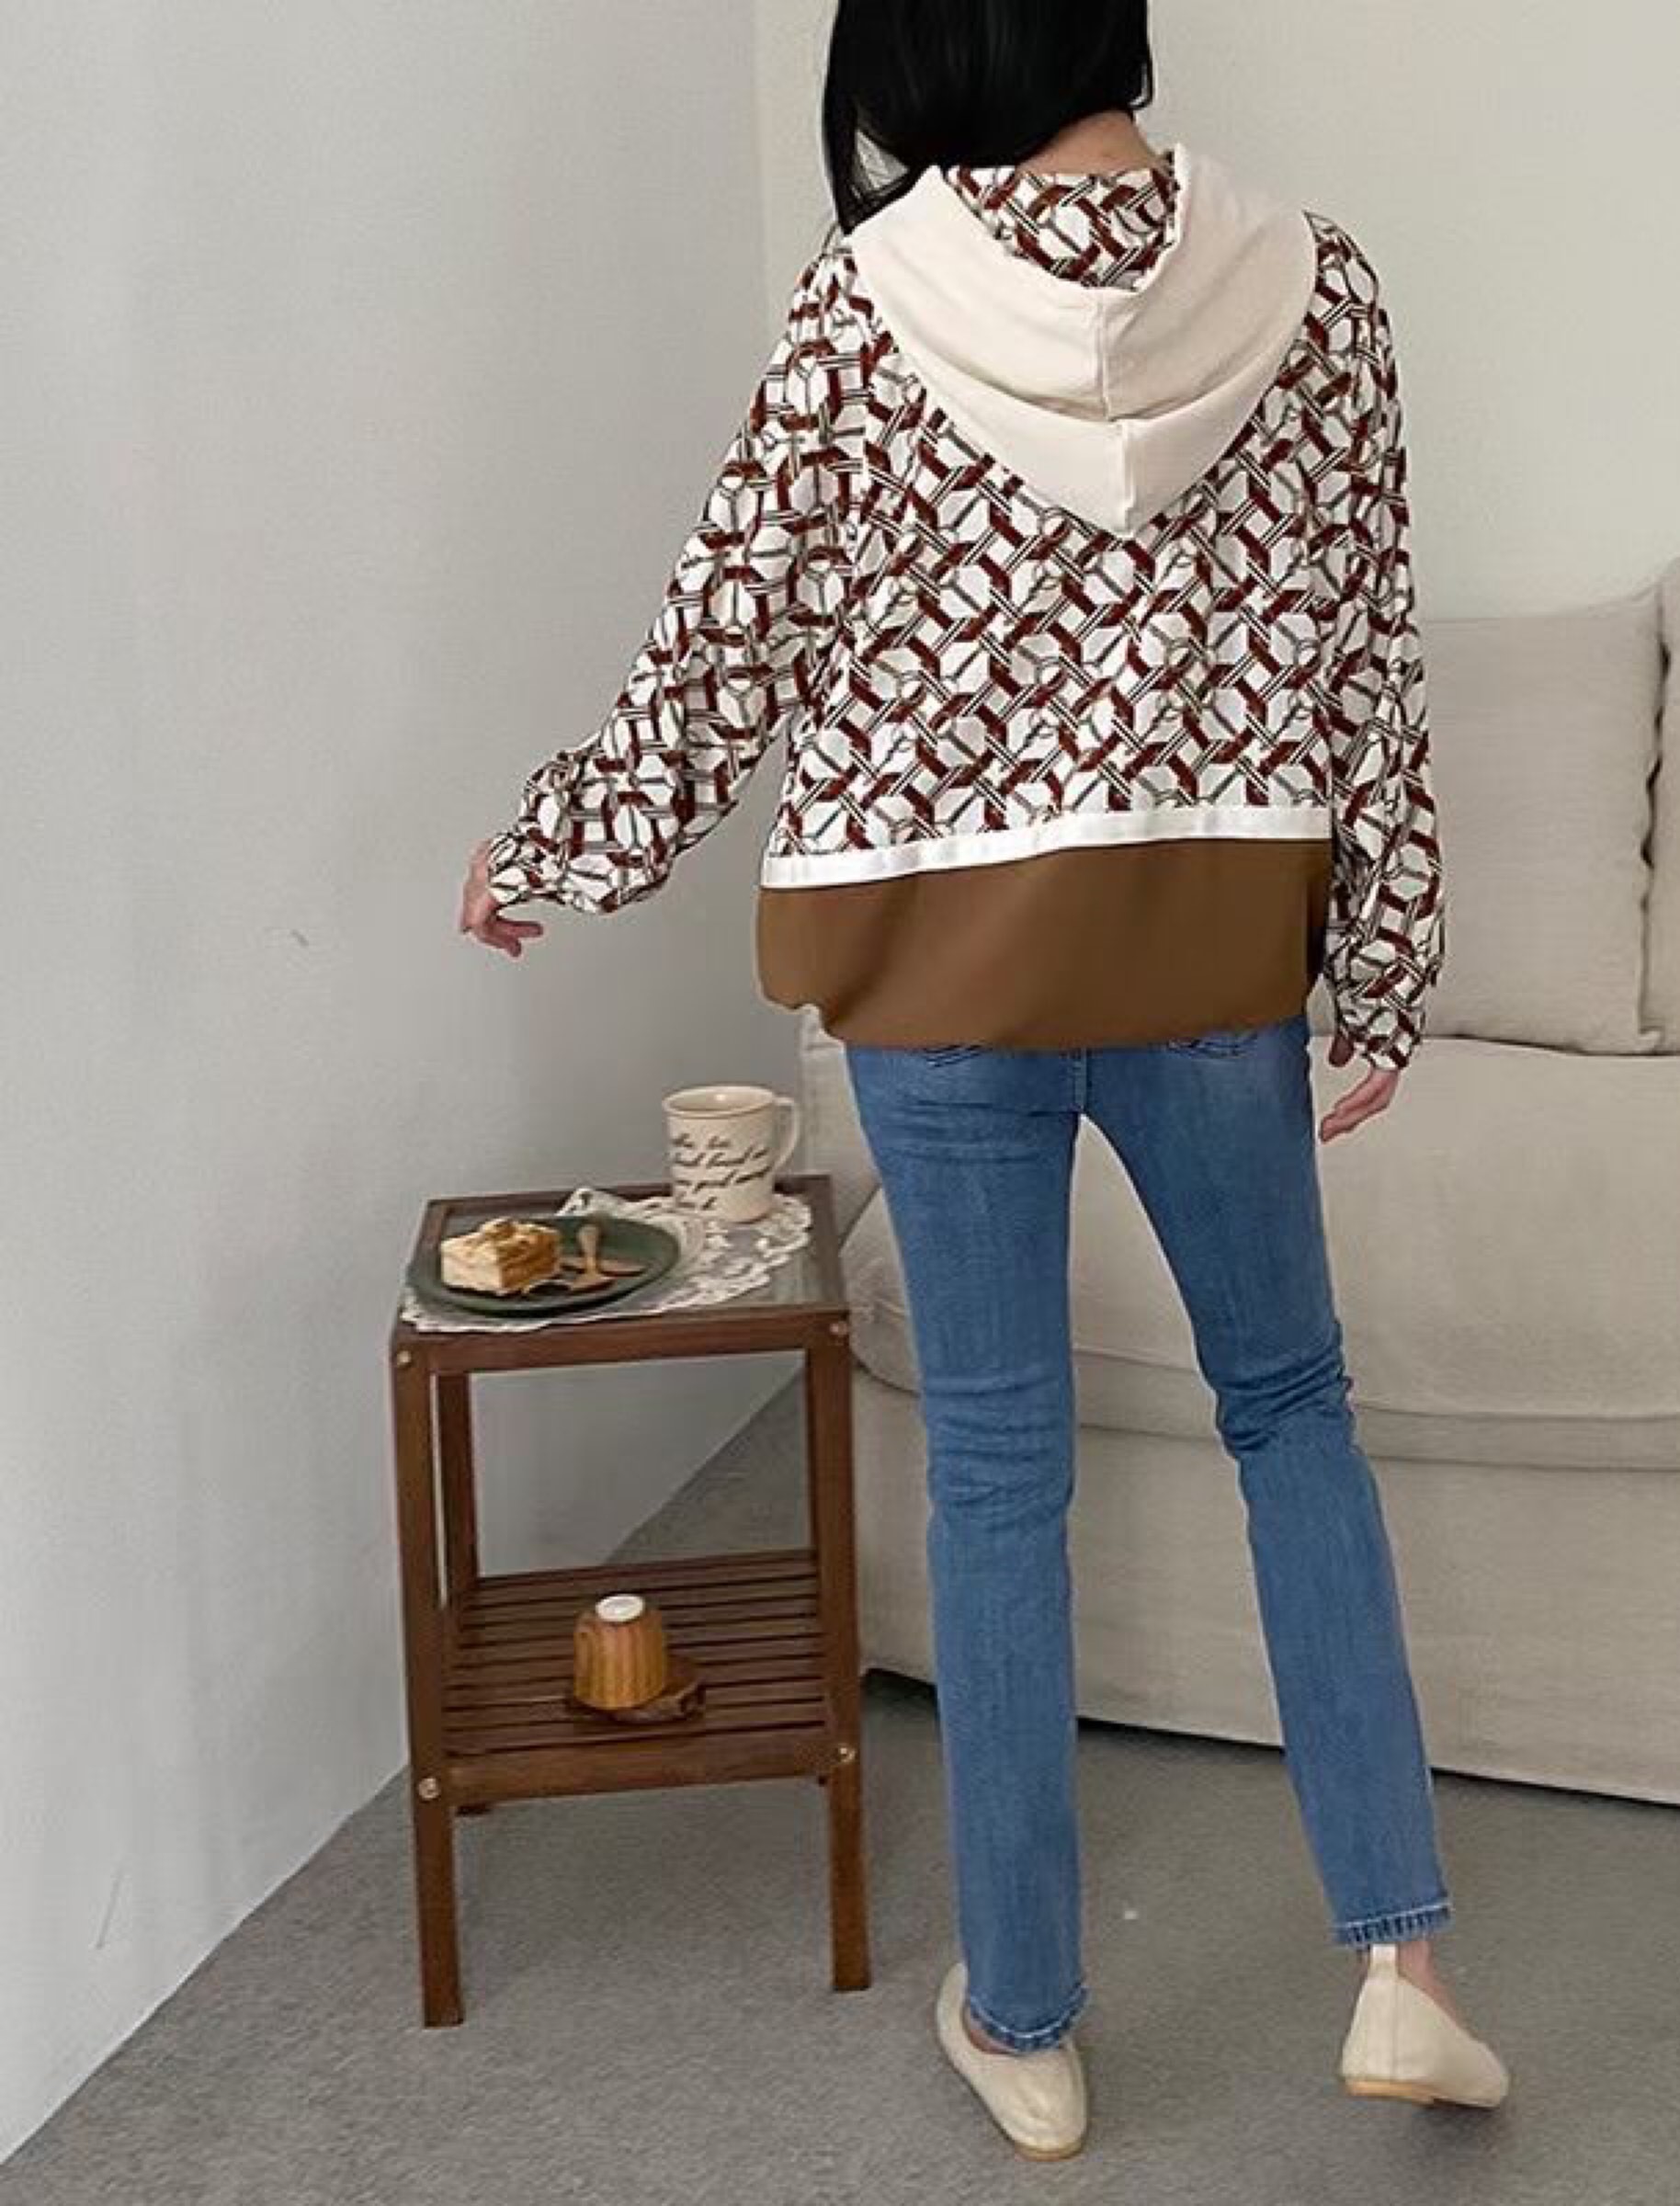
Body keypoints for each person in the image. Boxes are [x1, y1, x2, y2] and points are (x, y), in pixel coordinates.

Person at [460, 0, 1504, 2161]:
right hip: (1211, 955)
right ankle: (1403, 1968)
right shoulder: (1316, 284)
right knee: (1293, 1415)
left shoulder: (868, 302)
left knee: (1000, 1475)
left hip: (937, 973)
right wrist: (1386, 967)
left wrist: (553, 853)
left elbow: (724, 655)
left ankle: (1024, 2021)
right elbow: (1367, 657)